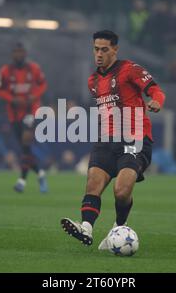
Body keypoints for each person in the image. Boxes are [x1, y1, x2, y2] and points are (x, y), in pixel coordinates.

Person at [60, 30, 165, 248]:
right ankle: (86, 228)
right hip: (106, 139)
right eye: (96, 49)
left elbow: (155, 90)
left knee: (122, 189)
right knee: (93, 183)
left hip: (134, 138)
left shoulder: (130, 70)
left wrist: (156, 101)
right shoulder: (93, 81)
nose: (99, 54)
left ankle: (118, 228)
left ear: (115, 49)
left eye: (104, 49)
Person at [0, 42, 48, 193]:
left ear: (25, 53)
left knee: (25, 142)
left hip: (31, 111)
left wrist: (33, 96)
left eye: (21, 52)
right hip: (14, 114)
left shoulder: (34, 68)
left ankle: (22, 181)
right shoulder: (5, 71)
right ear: (12, 54)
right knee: (25, 149)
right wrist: (12, 99)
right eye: (16, 52)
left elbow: (43, 85)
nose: (19, 55)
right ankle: (40, 173)